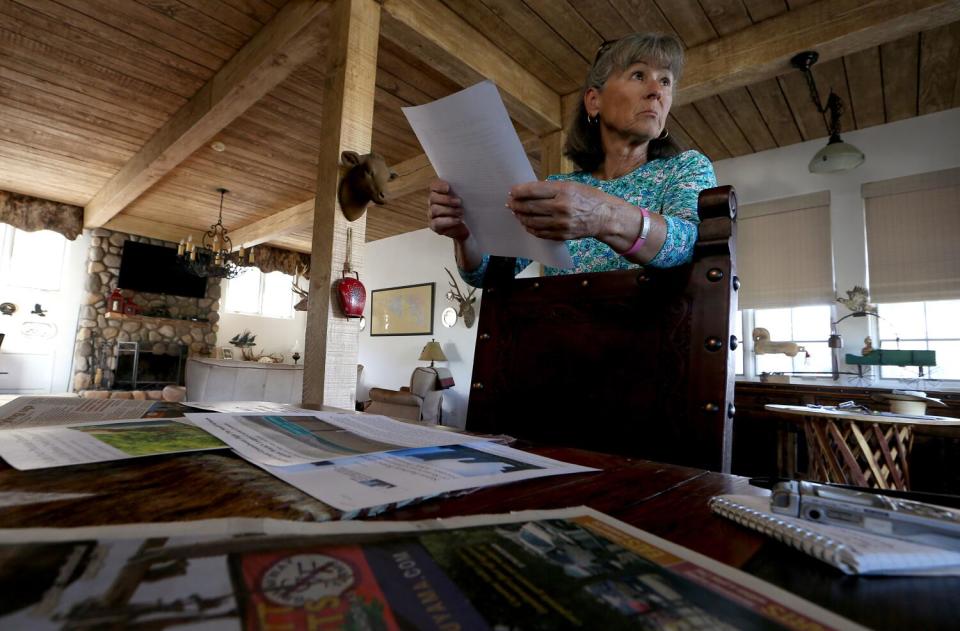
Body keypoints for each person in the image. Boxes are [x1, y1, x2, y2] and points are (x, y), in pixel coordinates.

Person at [427, 33, 717, 287]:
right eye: (639, 75)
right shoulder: (560, 186)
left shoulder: (685, 167)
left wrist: (603, 215)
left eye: (665, 81)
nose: (657, 91)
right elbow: (488, 275)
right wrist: (465, 236)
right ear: (594, 101)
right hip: (563, 342)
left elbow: (690, 245)